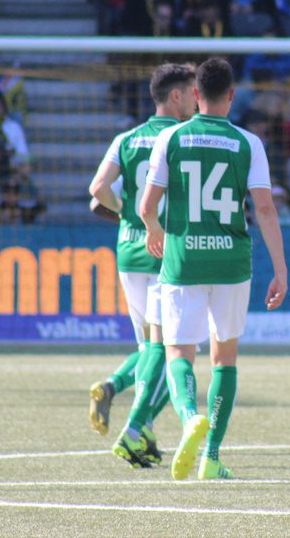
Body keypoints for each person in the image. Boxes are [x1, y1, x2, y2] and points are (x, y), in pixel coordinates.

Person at [139, 57, 287, 481]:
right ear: (233, 96)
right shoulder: (248, 143)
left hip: (183, 259)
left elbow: (147, 205)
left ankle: (188, 417)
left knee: (178, 351)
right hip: (232, 262)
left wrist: (153, 229)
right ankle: (213, 456)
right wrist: (280, 269)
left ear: (197, 95)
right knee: (225, 357)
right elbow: (263, 208)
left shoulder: (171, 137)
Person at [86, 63, 197, 468]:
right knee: (171, 349)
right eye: (191, 92)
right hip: (166, 251)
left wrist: (129, 215)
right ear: (176, 96)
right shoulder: (181, 138)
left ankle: (126, 405)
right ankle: (137, 427)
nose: (196, 100)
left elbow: (97, 190)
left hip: (129, 250)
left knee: (149, 345)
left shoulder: (126, 138)